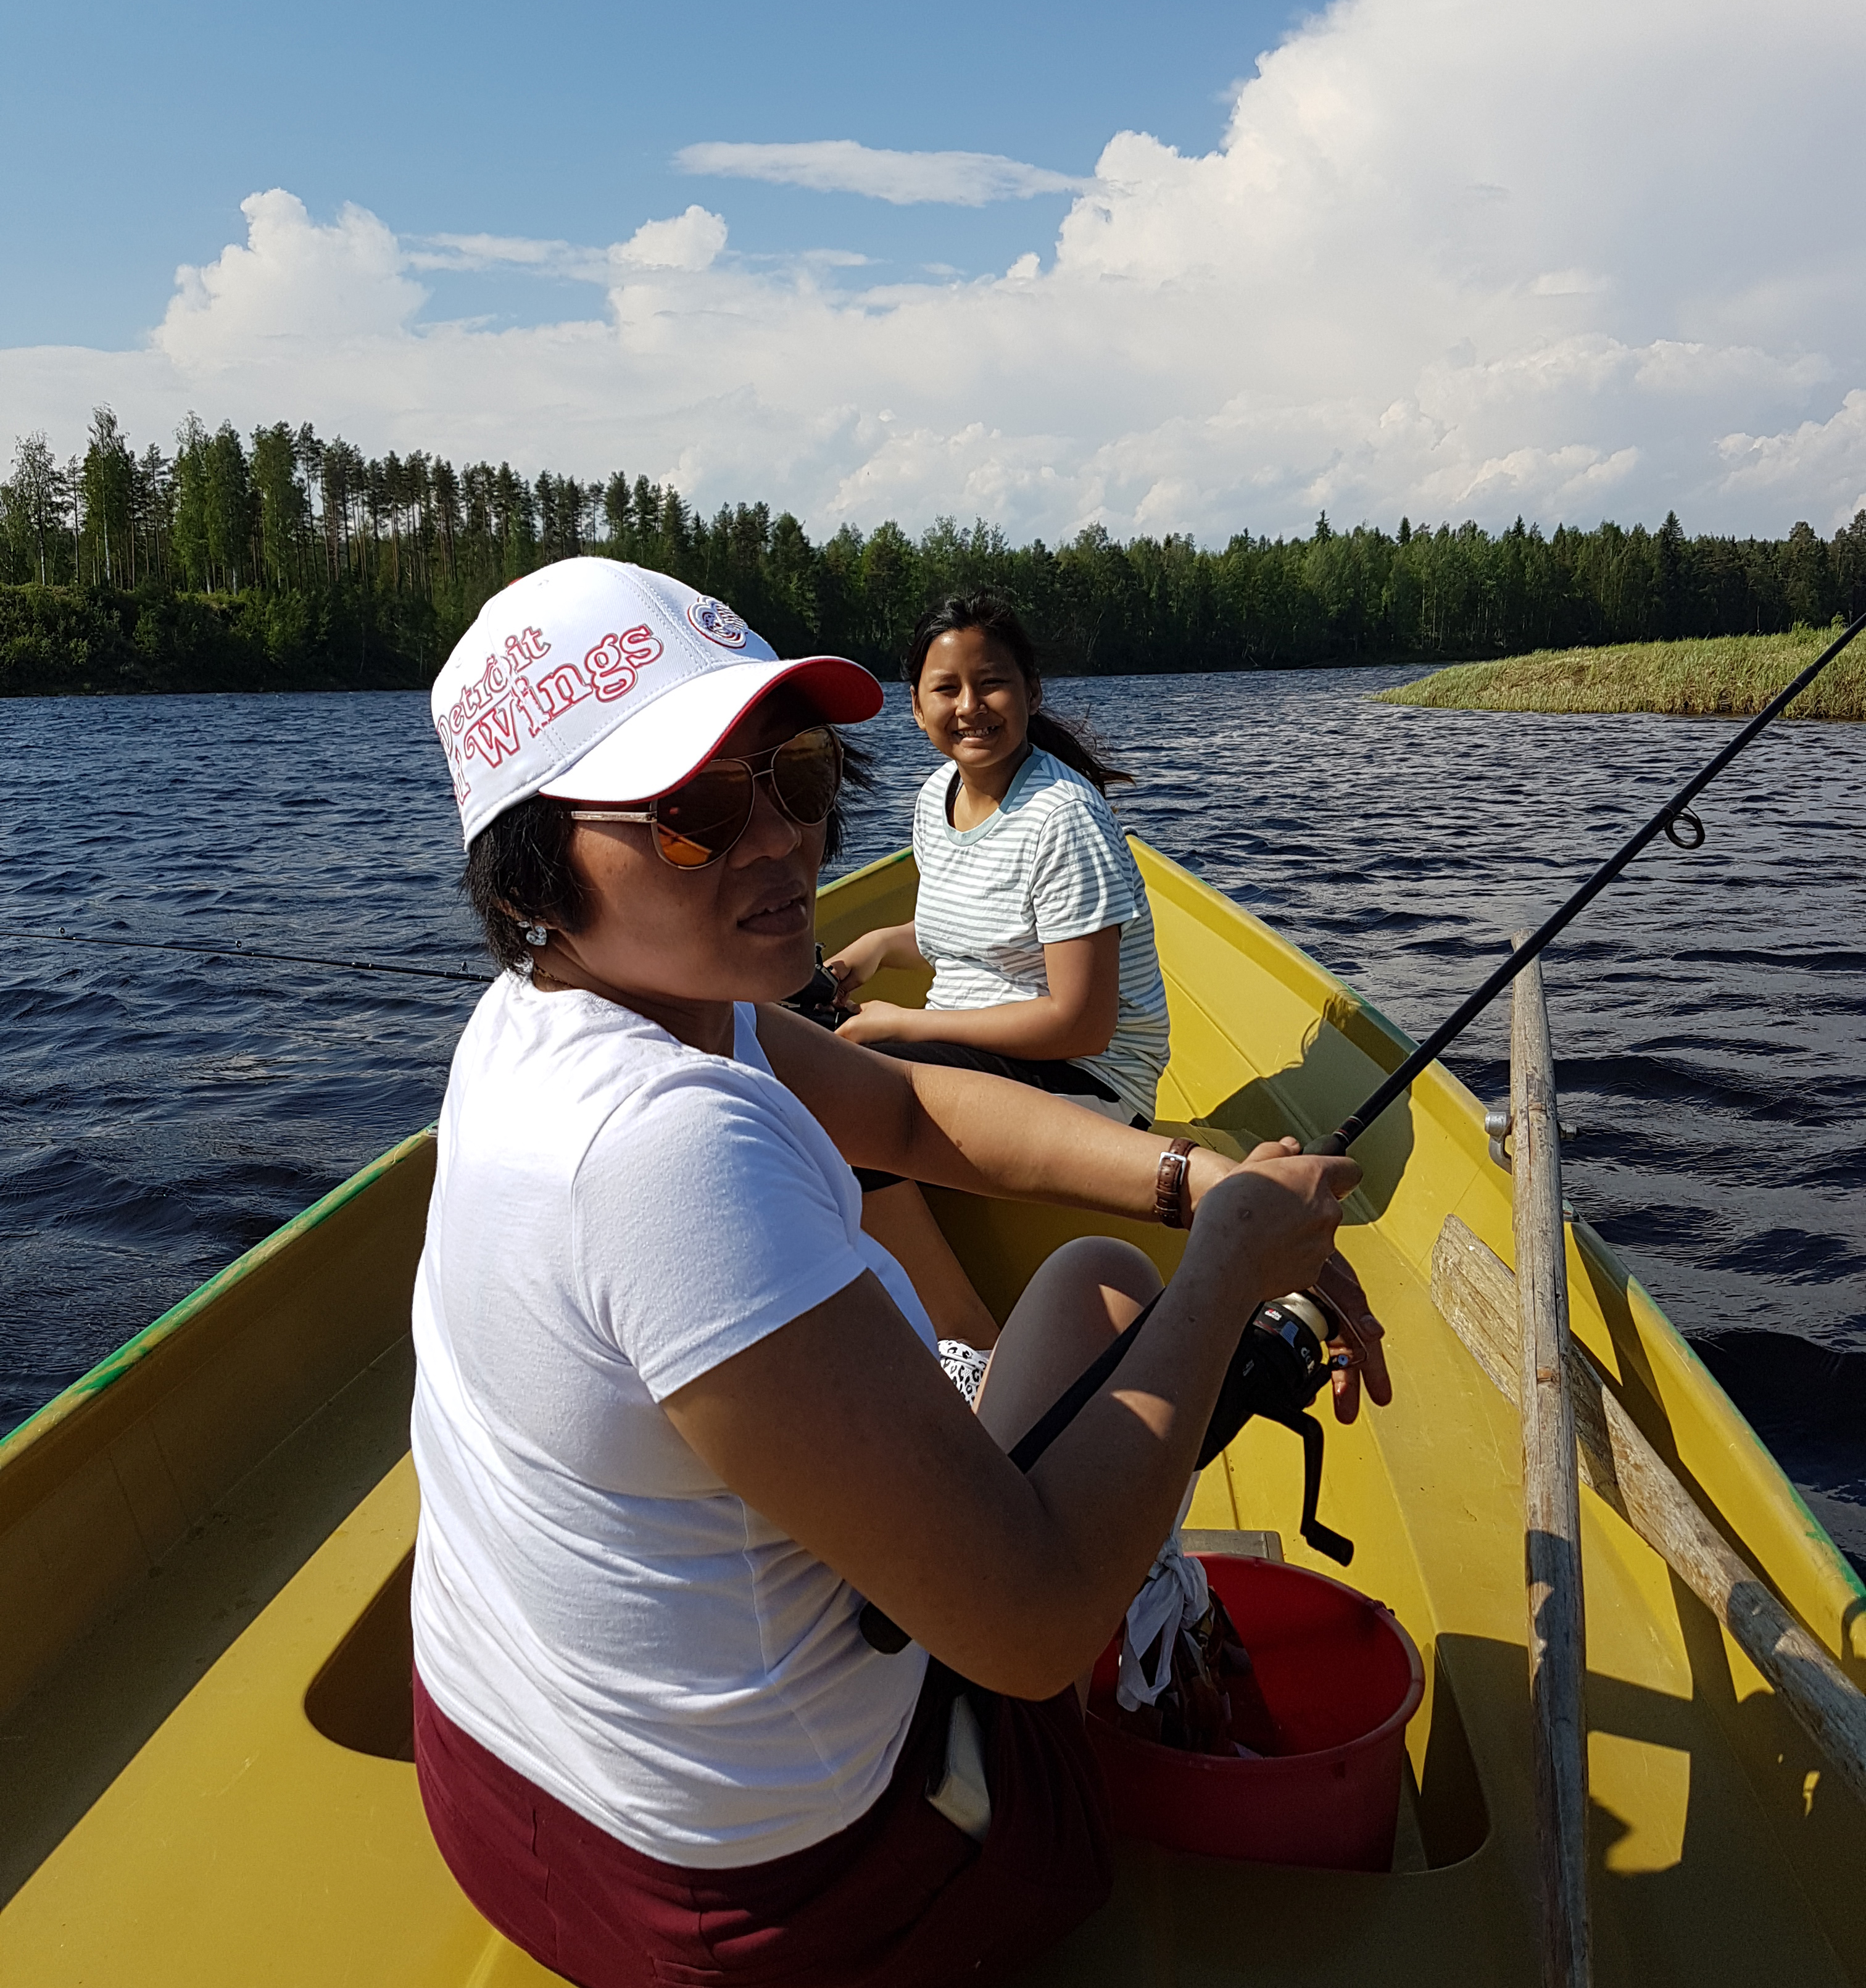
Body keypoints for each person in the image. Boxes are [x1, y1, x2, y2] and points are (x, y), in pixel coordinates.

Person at [410, 557, 1389, 1988]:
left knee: (1103, 1282)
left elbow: (912, 1111)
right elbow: (1033, 1628)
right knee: (1124, 1356)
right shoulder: (662, 1155)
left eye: (796, 777)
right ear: (529, 858)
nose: (780, 843)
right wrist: (1230, 1275)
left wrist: (1199, 1180)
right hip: (747, 1905)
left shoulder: (574, 1006)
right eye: (692, 813)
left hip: (497, 1780)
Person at [824, 594, 1171, 1358]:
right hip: (992, 1059)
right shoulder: (935, 798)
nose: (971, 706)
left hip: (1087, 1081)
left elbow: (1081, 1022)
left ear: (1031, 692)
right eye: (947, 688)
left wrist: (905, 1023)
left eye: (993, 683)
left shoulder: (1062, 818)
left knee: (836, 1095)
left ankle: (966, 1343)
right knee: (784, 1039)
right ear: (915, 706)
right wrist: (878, 945)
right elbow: (970, 933)